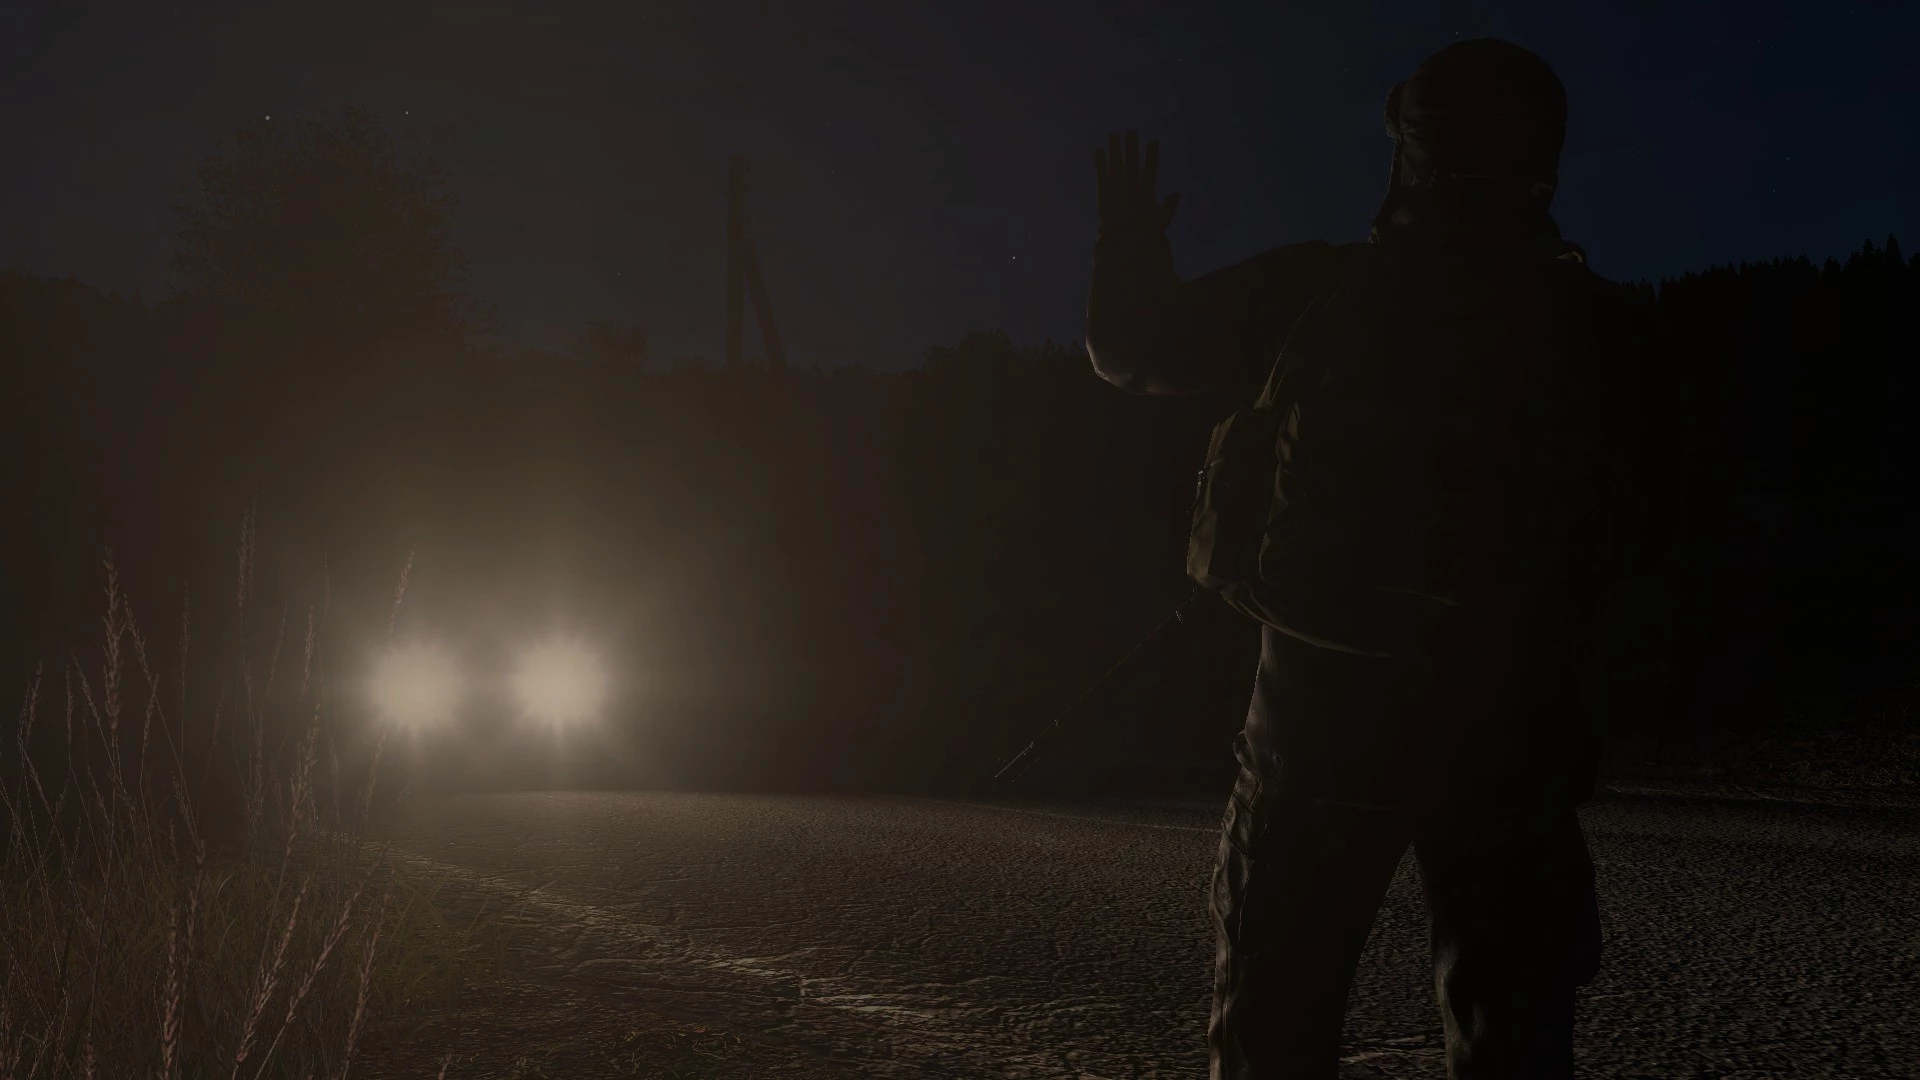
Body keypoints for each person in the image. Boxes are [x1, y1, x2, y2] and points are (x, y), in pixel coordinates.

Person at [1084, 39, 1681, 1080]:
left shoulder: (1318, 293)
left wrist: (1129, 242)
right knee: (1513, 1041)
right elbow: (1658, 537)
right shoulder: (1604, 327)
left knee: (1273, 1028)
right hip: (1513, 733)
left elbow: (1131, 351)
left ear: (1408, 151)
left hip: (1313, 726)